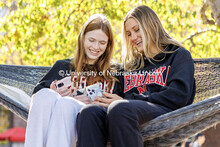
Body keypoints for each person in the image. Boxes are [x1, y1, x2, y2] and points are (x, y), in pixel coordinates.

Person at [76, 5, 195, 147]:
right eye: (129, 34)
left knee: (120, 108)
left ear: (151, 25)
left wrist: (127, 100)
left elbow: (178, 95)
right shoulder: (131, 66)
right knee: (89, 112)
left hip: (164, 113)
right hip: (127, 115)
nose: (133, 37)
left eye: (137, 30)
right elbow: (116, 96)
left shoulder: (178, 55)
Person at [24, 14, 119, 147]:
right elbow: (36, 96)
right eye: (91, 40)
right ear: (82, 39)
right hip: (57, 118)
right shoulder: (62, 66)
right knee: (45, 95)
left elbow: (123, 102)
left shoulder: (116, 71)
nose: (96, 47)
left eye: (102, 43)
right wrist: (54, 91)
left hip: (92, 120)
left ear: (108, 44)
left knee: (66, 104)